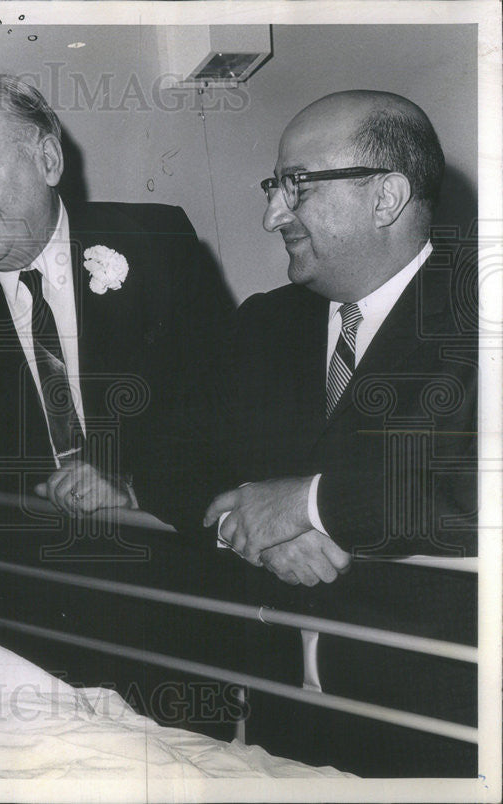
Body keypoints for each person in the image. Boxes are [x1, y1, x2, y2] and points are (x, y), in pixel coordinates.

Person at [0, 72, 235, 604]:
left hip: (171, 562)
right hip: (30, 590)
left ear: (47, 161)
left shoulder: (158, 244)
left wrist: (133, 487)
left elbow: (221, 404)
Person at [203, 90, 477, 776]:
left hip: (444, 731)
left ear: (386, 197)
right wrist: (245, 520)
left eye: (295, 185)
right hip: (279, 723)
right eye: (274, 188)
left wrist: (308, 503)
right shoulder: (263, 324)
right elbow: (179, 454)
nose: (272, 215)